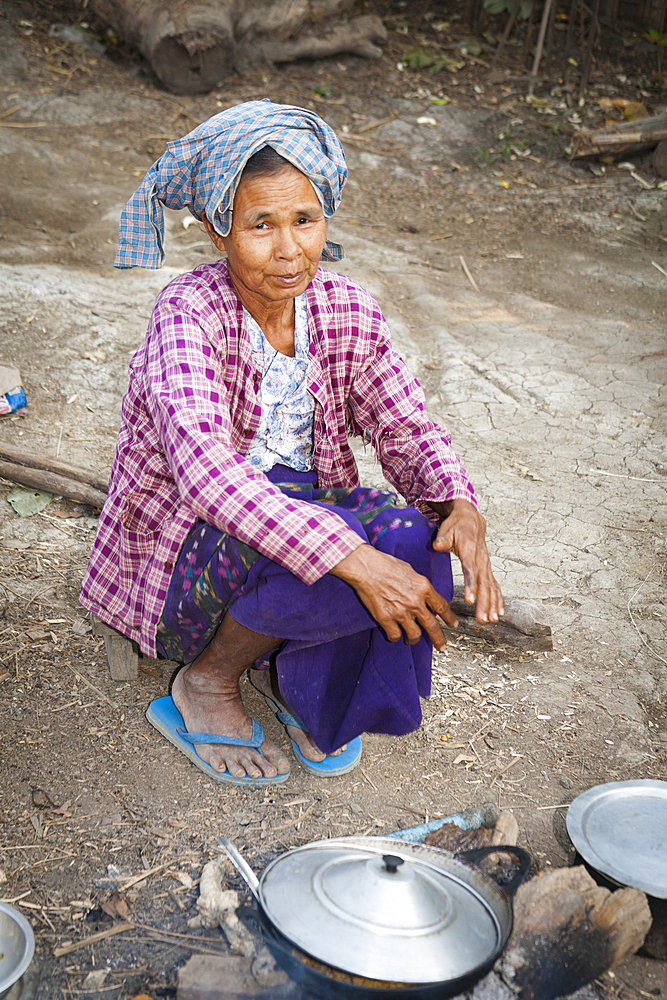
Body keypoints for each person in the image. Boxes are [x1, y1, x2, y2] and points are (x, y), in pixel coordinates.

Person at [80, 100, 504, 787]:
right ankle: (208, 680)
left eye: (304, 220)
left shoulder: (345, 307)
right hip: (188, 544)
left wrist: (457, 502)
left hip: (303, 512)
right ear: (219, 232)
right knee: (347, 547)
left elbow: (403, 425)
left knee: (409, 537)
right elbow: (210, 477)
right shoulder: (187, 312)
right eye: (260, 225)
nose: (289, 249)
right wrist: (351, 558)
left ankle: (309, 683)